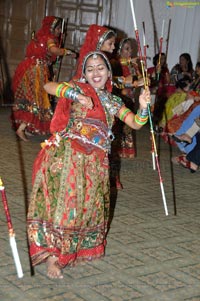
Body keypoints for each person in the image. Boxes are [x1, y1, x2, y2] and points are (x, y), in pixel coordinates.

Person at [27, 51, 151, 279]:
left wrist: (143, 107)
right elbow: (48, 86)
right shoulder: (78, 89)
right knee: (67, 204)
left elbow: (135, 123)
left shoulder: (113, 100)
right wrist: (76, 94)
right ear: (84, 73)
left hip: (96, 161)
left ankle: (77, 247)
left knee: (88, 206)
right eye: (90, 68)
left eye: (100, 68)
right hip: (69, 156)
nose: (96, 73)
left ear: (108, 72)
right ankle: (55, 257)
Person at [11, 16, 76, 142]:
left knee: (31, 98)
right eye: (58, 29)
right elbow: (54, 50)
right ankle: (21, 128)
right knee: (38, 99)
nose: (59, 32)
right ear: (52, 28)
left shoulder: (40, 37)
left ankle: (24, 127)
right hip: (37, 71)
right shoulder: (49, 38)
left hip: (29, 69)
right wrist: (67, 52)